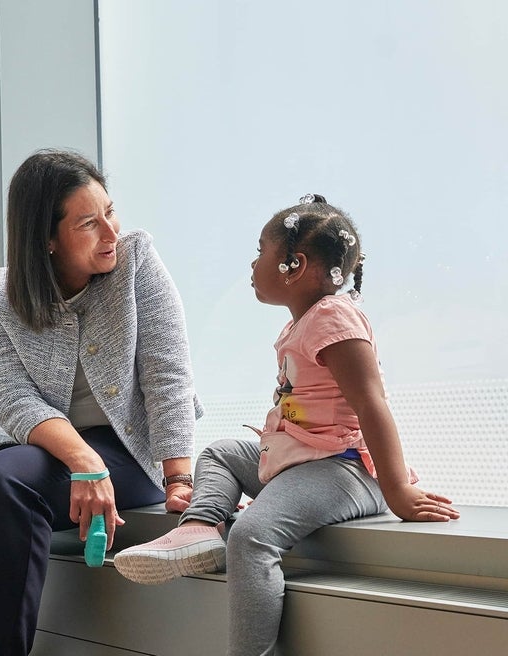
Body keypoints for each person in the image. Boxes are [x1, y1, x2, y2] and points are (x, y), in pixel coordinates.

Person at [114, 193, 460, 656]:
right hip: (303, 458)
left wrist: (396, 488)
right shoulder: (303, 323)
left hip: (345, 467)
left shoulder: (333, 317)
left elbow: (371, 403)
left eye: (261, 252)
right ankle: (200, 528)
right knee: (220, 452)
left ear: (294, 266)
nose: (253, 263)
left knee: (253, 536)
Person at [0, 149, 201, 656]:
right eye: (89, 223)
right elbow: (13, 399)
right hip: (42, 442)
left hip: (124, 450)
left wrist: (179, 478)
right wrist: (82, 460)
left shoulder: (137, 263)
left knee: (4, 482)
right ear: (46, 238)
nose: (111, 233)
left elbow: (167, 373)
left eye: (110, 212)